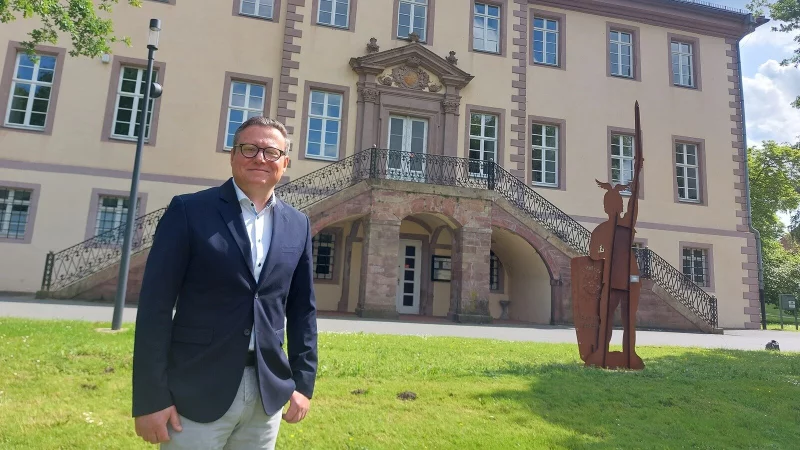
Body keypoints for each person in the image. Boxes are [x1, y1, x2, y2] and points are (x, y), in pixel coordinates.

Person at [131, 116, 318, 449]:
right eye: (249, 149)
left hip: (266, 393)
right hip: (196, 389)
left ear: (284, 163)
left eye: (271, 152)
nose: (260, 158)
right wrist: (150, 399)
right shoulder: (189, 211)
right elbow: (154, 309)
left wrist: (303, 383)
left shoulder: (298, 224)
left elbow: (303, 311)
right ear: (233, 156)